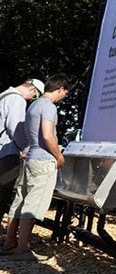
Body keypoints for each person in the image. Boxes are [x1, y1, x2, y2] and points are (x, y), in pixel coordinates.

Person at [2, 74, 72, 262]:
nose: (63, 97)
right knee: (33, 205)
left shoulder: (33, 105)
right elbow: (48, 136)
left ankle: (10, 243)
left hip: (30, 157)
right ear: (60, 89)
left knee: (19, 201)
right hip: (43, 160)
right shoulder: (48, 107)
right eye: (64, 93)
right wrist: (59, 156)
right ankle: (23, 248)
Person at [0, 79, 45, 217]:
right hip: (6, 153)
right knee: (2, 194)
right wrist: (26, 149)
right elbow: (16, 129)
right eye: (35, 96)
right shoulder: (17, 100)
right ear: (32, 89)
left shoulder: (3, 96)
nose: (33, 100)